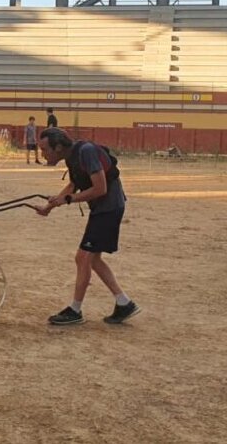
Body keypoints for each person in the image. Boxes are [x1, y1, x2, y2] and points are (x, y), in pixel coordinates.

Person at [30, 128, 140, 326]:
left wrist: (68, 200)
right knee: (93, 259)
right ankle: (124, 303)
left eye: (45, 149)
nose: (43, 154)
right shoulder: (73, 157)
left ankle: (75, 310)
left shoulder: (86, 152)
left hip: (109, 208)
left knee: (83, 258)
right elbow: (73, 185)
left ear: (59, 147)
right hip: (103, 209)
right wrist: (49, 207)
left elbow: (100, 188)